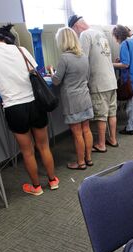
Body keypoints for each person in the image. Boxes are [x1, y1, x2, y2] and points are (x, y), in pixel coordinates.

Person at [0, 24, 58, 196]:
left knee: (27, 151)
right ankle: (53, 180)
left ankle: (36, 188)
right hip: (35, 103)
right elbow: (34, 72)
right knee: (43, 146)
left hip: (14, 107)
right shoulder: (21, 50)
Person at [69, 15, 119, 152]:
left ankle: (101, 144)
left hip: (99, 82)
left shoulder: (85, 35)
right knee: (112, 112)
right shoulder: (100, 33)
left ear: (76, 26)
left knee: (101, 115)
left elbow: (82, 59)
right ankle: (113, 139)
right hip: (111, 80)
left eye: (74, 31)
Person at [50, 28, 94, 170]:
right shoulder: (83, 56)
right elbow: (87, 77)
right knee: (86, 130)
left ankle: (80, 163)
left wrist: (51, 70)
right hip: (85, 97)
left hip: (72, 101)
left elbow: (56, 81)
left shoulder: (64, 58)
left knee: (77, 134)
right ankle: (89, 159)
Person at [112, 25, 133, 135]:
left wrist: (111, 64)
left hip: (132, 78)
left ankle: (130, 128)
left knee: (132, 104)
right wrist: (121, 60)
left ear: (118, 36)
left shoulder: (123, 45)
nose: (115, 40)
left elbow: (125, 64)